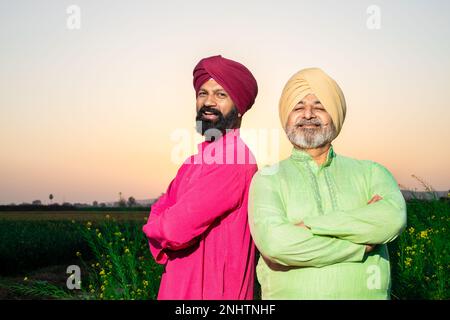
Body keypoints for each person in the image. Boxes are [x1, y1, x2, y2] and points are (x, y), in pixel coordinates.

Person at [248, 67, 407, 299]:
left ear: (335, 114)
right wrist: (360, 245)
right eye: (299, 107)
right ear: (286, 116)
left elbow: (392, 219)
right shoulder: (267, 179)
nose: (309, 115)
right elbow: (276, 244)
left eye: (320, 106)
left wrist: (309, 226)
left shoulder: (371, 172)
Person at [143, 55, 259, 299]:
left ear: (240, 106)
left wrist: (157, 226)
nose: (209, 102)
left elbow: (175, 228)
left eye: (221, 94)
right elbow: (160, 207)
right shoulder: (194, 161)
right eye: (202, 93)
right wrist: (160, 222)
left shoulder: (234, 159)